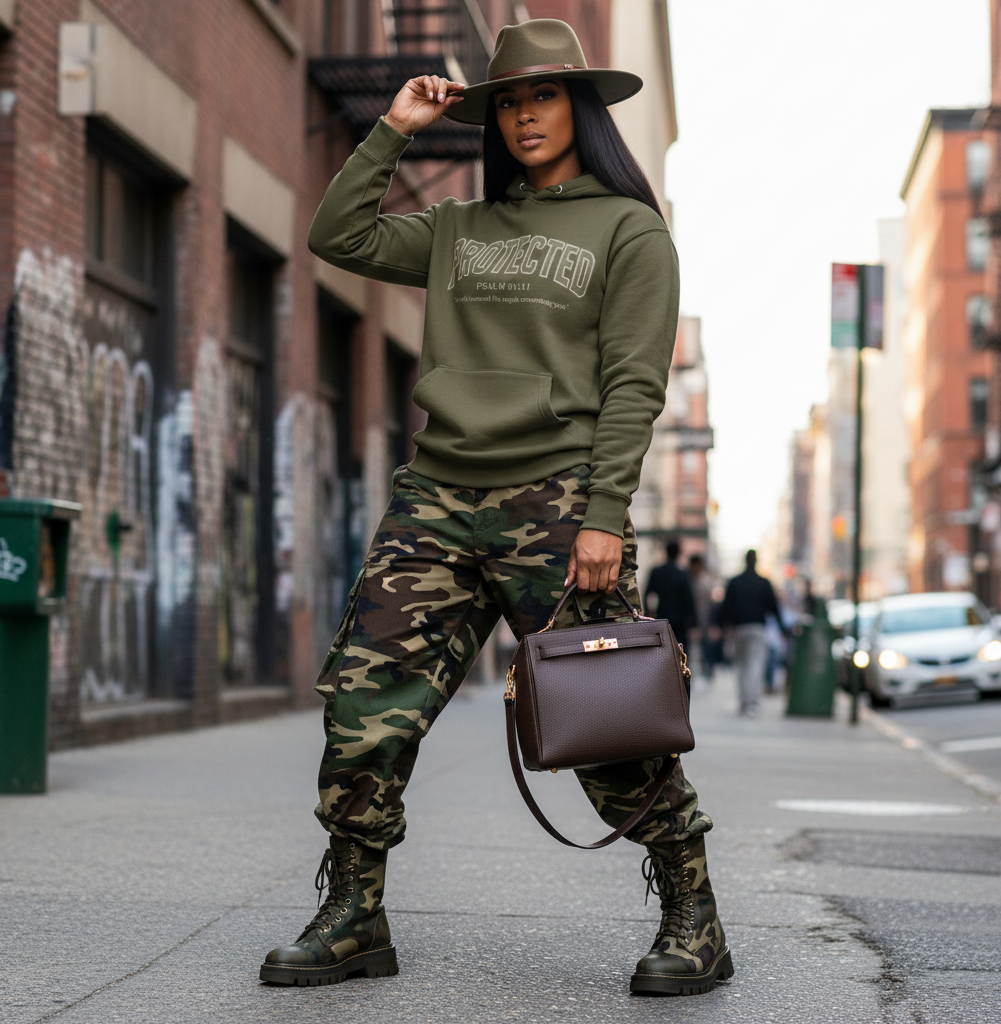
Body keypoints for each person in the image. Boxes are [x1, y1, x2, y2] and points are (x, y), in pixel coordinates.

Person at [259, 19, 731, 998]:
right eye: (509, 100)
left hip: (559, 504)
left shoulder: (628, 231)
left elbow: (634, 381)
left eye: (544, 97)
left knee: (605, 727)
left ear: (581, 110)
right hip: (436, 496)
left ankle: (693, 912)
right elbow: (336, 233)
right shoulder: (457, 229)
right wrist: (390, 128)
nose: (523, 115)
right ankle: (354, 913)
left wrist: (605, 512)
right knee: (361, 711)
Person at [719, 549, 784, 717]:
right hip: (757, 628)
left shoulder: (734, 582)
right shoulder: (764, 582)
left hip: (739, 629)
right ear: (756, 561)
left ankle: (744, 700)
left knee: (741, 666)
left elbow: (726, 607)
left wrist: (722, 626)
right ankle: (752, 701)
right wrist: (782, 628)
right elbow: (773, 607)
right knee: (755, 665)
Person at [644, 540, 696, 664]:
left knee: (663, 655)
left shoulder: (656, 572)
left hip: (662, 618)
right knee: (681, 656)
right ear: (678, 553)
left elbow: (647, 594)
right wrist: (693, 623)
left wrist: (648, 614)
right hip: (680, 622)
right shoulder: (682, 574)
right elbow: (689, 601)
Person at [687, 553, 715, 680]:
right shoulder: (689, 580)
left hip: (704, 621)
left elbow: (711, 605)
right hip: (692, 622)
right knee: (691, 649)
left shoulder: (705, 581)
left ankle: (707, 670)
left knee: (705, 647)